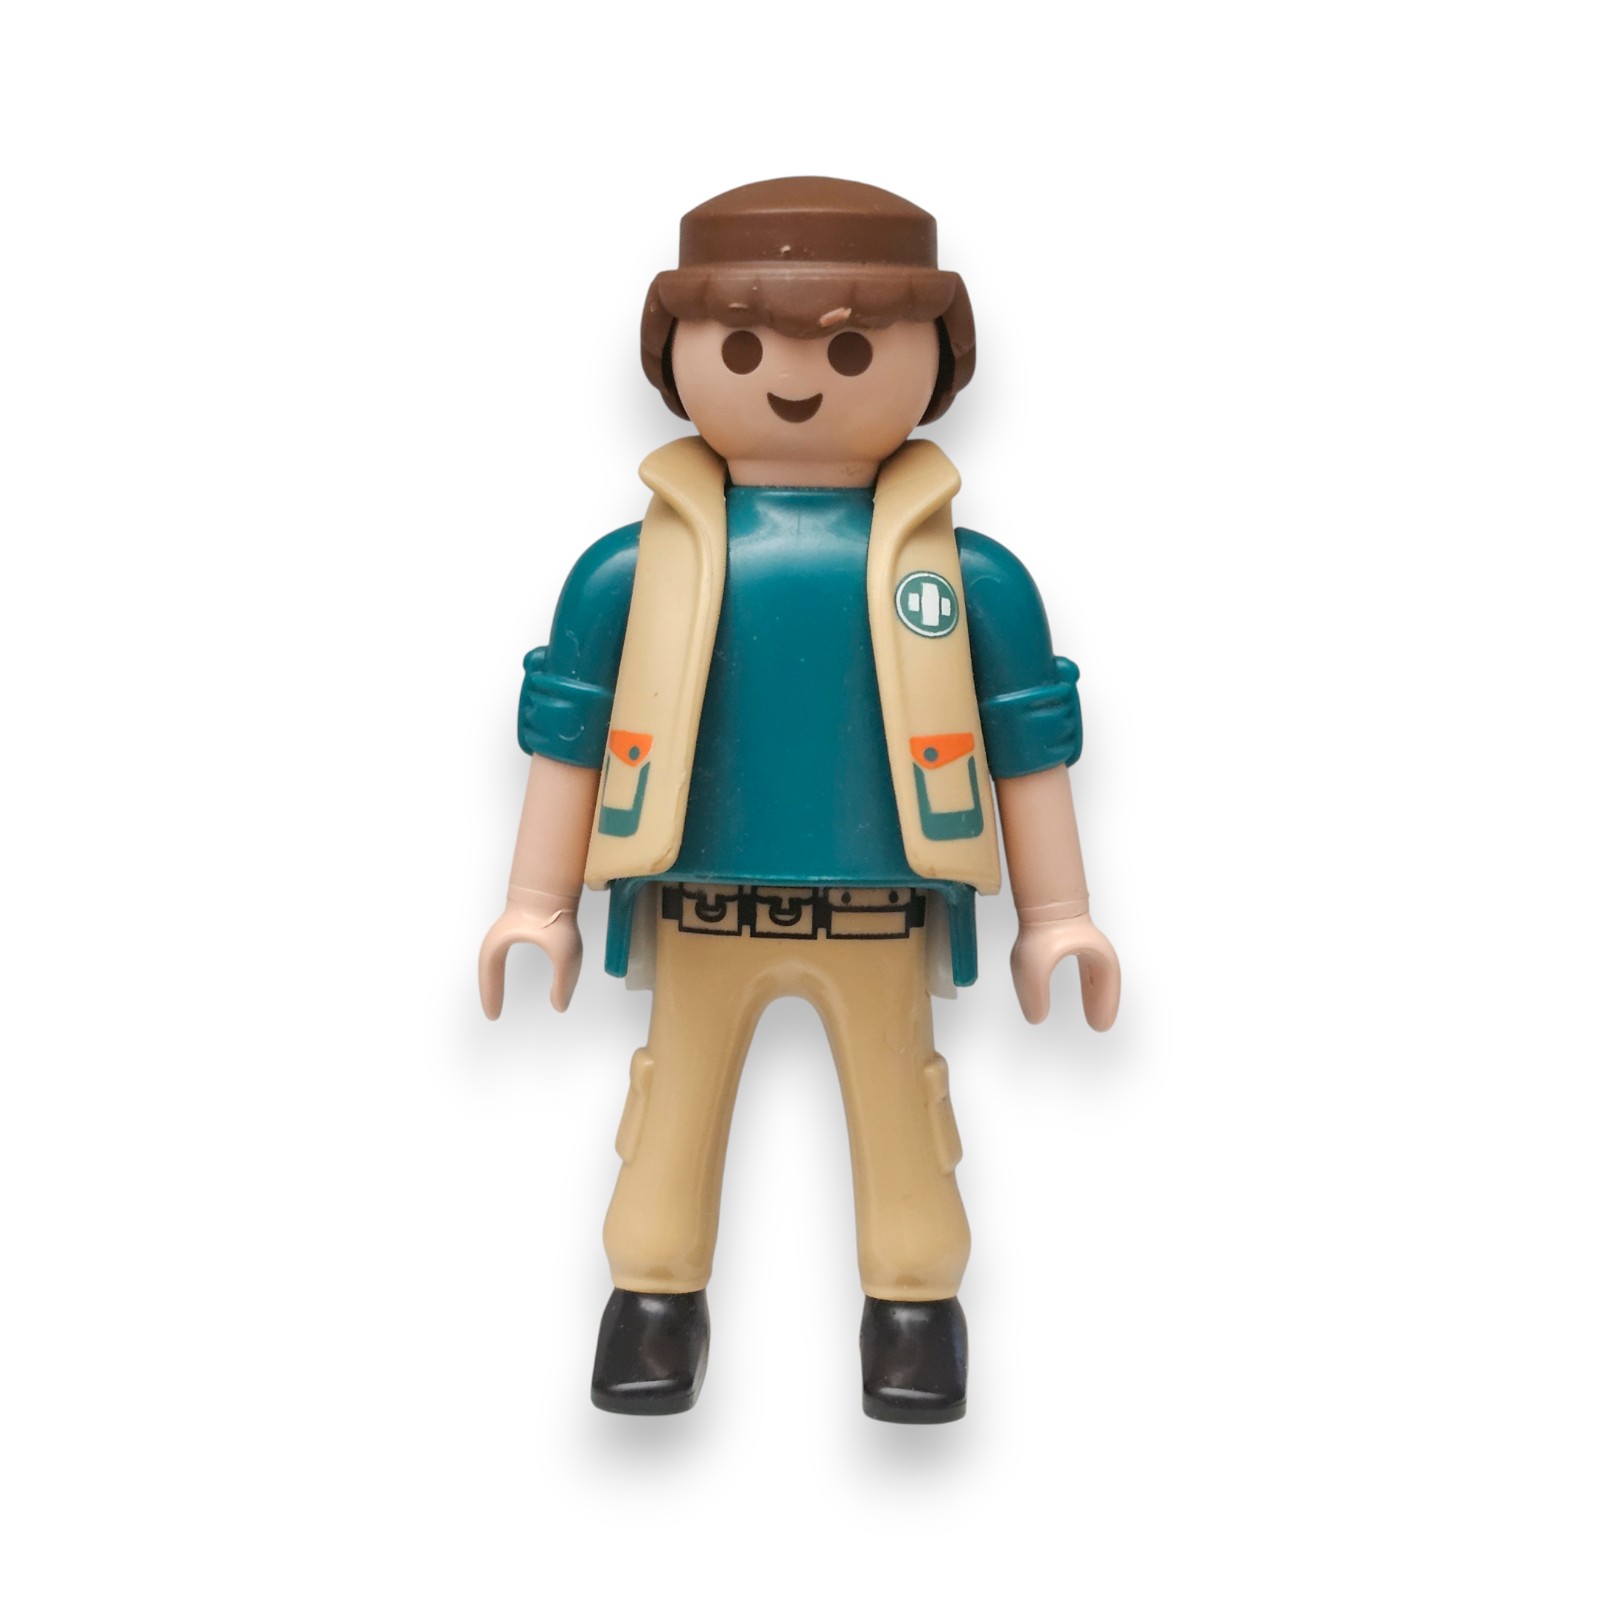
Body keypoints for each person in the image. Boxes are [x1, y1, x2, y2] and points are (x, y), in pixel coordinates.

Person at [479, 176, 1120, 1423]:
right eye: (740, 347)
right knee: (670, 1109)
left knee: (901, 1110)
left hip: (880, 910)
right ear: (675, 358)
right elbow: (566, 730)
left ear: (936, 362)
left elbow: (1026, 743)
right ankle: (652, 1298)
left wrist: (1059, 914)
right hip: (698, 906)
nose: (793, 379)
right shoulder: (627, 570)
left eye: (850, 349)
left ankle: (913, 1311)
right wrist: (535, 900)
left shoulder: (968, 577)